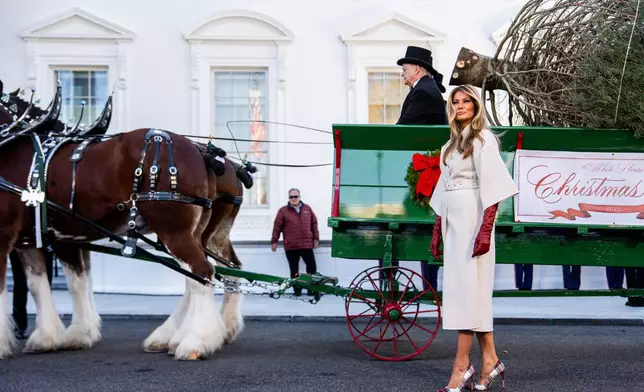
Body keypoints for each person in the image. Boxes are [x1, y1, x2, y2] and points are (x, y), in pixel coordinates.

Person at [429, 85, 519, 391]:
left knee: (467, 289)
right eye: (455, 102)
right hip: (453, 221)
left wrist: (485, 229)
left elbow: (493, 189)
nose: (460, 105)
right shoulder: (450, 145)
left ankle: (461, 366)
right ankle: (490, 360)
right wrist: (436, 228)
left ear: (476, 104)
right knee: (468, 290)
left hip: (473, 218)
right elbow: (443, 186)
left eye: (466, 100)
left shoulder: (483, 140)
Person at [377, 45, 447, 291]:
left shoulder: (424, 92)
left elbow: (405, 130)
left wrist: (380, 141)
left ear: (417, 69)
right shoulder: (426, 89)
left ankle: (421, 286)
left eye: (405, 70)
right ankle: (428, 285)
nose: (402, 74)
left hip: (425, 170)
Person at [271, 188, 319, 296]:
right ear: (289, 198)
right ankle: (297, 290)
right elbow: (277, 227)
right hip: (291, 246)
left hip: (306, 245)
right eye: (291, 197)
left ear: (299, 197)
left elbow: (314, 224)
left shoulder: (307, 209)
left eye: (295, 196)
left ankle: (311, 289)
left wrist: (316, 238)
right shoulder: (283, 211)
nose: (293, 199)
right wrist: (274, 241)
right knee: (294, 270)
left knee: (311, 268)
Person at [10, 246, 54, 339]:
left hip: (43, 240)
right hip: (20, 242)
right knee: (20, 283)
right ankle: (19, 325)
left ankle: (46, 321)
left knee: (45, 283)